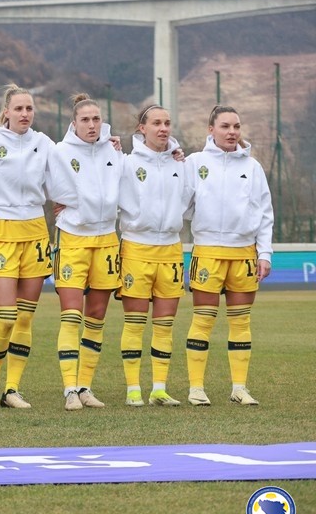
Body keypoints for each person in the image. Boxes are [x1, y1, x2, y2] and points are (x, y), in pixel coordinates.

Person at [0, 84, 77, 409]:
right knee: (6, 317)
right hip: (2, 230)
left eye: (29, 108)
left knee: (24, 319)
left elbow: (69, 167)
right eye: (18, 108)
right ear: (6, 111)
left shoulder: (43, 143)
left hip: (35, 231)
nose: (25, 114)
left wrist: (108, 143)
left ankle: (12, 389)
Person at [183, 105, 273, 406]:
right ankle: (196, 388)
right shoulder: (195, 162)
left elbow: (265, 213)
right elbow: (181, 204)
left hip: (244, 253)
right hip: (207, 252)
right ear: (211, 129)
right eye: (225, 126)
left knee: (241, 322)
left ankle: (239, 388)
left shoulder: (253, 167)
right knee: (203, 320)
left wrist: (265, 253)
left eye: (236, 126)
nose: (232, 132)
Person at [52, 94, 123, 410]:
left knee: (96, 317)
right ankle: (69, 389)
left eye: (96, 119)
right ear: (74, 123)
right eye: (85, 119)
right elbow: (42, 183)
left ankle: (85, 387)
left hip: (106, 239)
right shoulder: (60, 152)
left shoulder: (114, 151)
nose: (92, 125)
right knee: (71, 315)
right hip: (73, 238)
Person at [117, 104, 191, 407]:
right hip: (136, 246)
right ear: (142, 128)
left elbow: (190, 201)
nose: (163, 128)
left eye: (167, 123)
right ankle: (133, 388)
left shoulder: (180, 164)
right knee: (134, 323)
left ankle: (159, 388)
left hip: (171, 248)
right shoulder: (127, 163)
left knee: (165, 324)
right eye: (156, 123)